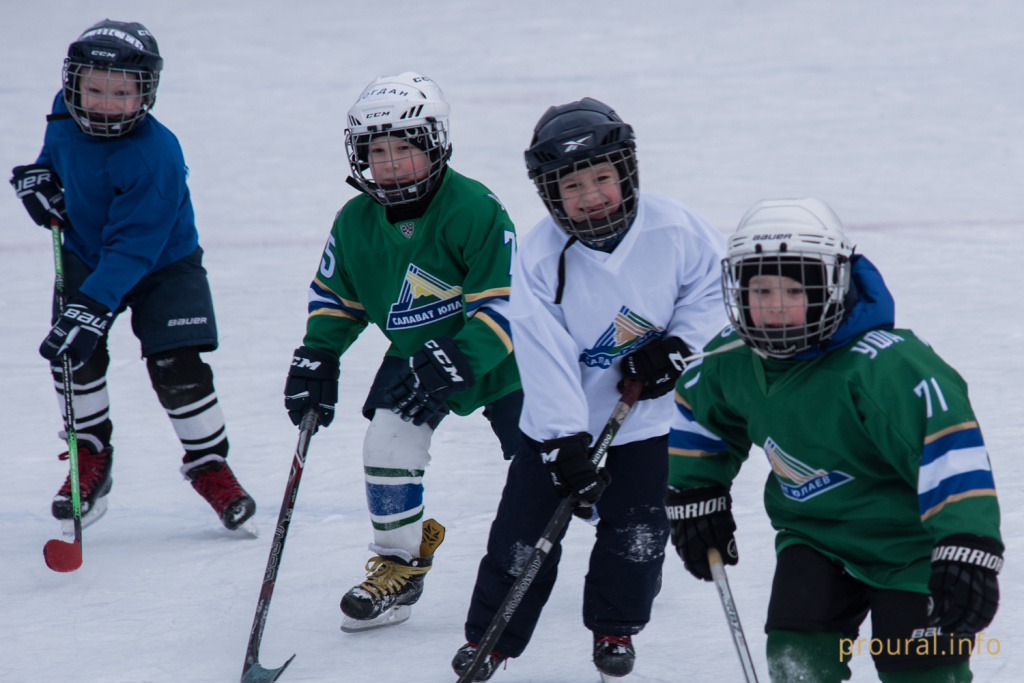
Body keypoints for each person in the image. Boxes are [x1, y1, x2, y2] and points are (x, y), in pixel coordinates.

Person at [666, 198, 1002, 682]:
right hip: (816, 538)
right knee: (795, 659)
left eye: (793, 290)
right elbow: (700, 413)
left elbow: (948, 453)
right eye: (760, 290)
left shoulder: (887, 366)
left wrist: (966, 544)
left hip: (913, 547)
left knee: (918, 670)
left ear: (832, 287)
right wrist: (697, 492)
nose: (775, 306)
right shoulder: (728, 359)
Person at [453, 97, 728, 680]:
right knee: (522, 537)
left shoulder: (675, 229)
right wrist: (562, 441)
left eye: (602, 178)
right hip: (558, 425)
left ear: (626, 172)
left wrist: (679, 347)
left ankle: (615, 628)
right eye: (572, 186)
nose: (591, 196)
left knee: (637, 530)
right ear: (551, 194)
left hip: (649, 419)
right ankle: (491, 640)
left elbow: (716, 292)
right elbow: (542, 355)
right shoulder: (538, 257)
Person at [283, 72, 522, 632]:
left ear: (435, 145)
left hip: (506, 359)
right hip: (416, 354)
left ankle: (622, 531)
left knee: (557, 468)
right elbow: (338, 300)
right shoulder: (354, 221)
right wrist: (319, 355)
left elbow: (506, 302)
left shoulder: (474, 207)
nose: (389, 164)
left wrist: (463, 356)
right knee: (387, 443)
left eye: (403, 149)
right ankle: (400, 566)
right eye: (378, 152)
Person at [9, 20, 256, 533]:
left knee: (176, 366)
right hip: (85, 251)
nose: (105, 104)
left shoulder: (155, 155)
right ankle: (90, 454)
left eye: (122, 93)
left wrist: (93, 305)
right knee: (74, 357)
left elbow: (135, 245)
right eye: (94, 89)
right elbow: (57, 154)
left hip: (164, 265)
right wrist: (41, 178)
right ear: (72, 84)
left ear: (146, 94)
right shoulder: (63, 111)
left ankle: (210, 466)